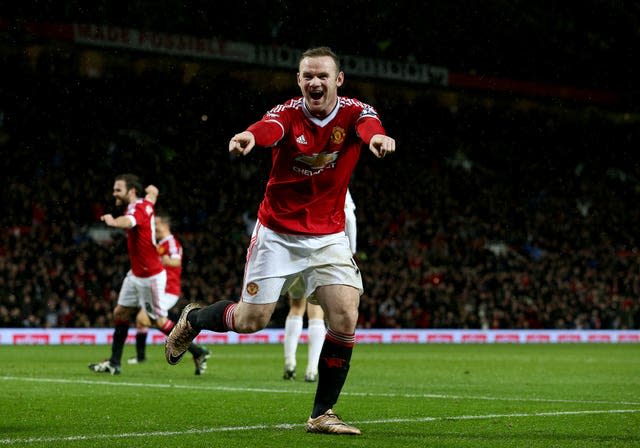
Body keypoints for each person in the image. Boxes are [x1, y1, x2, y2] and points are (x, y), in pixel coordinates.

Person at [165, 46, 395, 435]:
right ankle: (194, 318)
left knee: (345, 315)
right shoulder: (289, 112)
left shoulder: (357, 111)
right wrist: (249, 137)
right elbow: (268, 127)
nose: (315, 82)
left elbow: (369, 127)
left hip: (328, 236)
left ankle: (322, 414)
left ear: (339, 79)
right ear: (299, 80)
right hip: (277, 233)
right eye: (307, 76)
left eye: (323, 75)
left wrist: (378, 139)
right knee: (251, 320)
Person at [88, 174, 209, 375]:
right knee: (120, 313)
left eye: (118, 189)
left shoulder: (138, 210)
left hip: (150, 277)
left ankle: (197, 351)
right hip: (135, 274)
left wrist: (112, 221)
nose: (114, 193)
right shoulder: (145, 203)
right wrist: (153, 192)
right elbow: (151, 196)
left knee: (159, 322)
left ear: (131, 191)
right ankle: (114, 363)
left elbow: (128, 222)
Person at [283, 189, 357, 383]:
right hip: (321, 249)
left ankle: (290, 362)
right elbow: (349, 217)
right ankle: (312, 369)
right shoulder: (335, 179)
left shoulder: (302, 175)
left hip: (294, 248)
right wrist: (352, 250)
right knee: (316, 311)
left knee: (296, 307)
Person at [127, 212, 211, 375]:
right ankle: (197, 351)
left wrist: (162, 260)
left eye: (156, 224)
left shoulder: (171, 242)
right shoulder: (160, 244)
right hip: (159, 290)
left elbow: (177, 261)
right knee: (147, 321)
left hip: (167, 290)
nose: (153, 227)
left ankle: (196, 350)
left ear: (165, 225)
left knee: (143, 319)